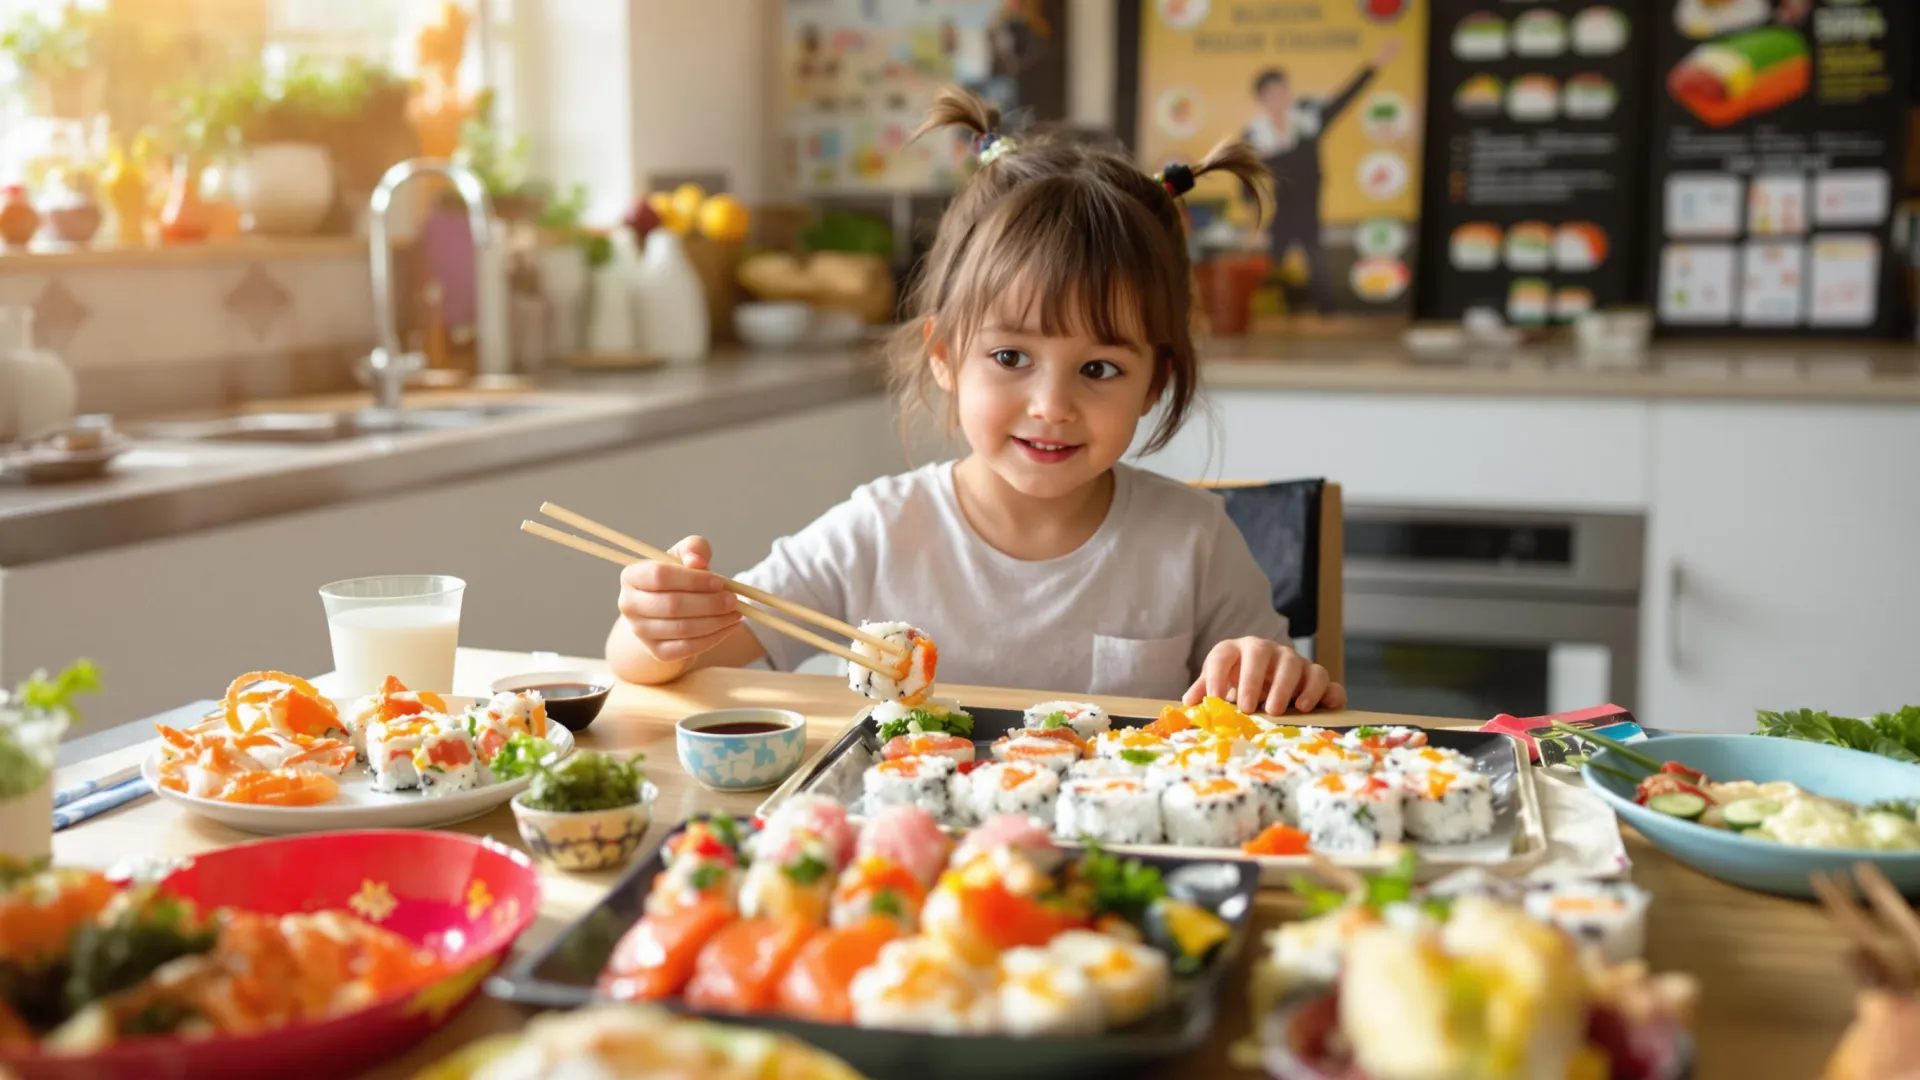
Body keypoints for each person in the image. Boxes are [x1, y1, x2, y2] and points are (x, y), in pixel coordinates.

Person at [606, 87, 1347, 715]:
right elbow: (666, 666)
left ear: (1155, 379)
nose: (1051, 405)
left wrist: (1276, 674)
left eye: (1098, 368)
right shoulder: (875, 533)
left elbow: (1287, 706)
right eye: (1010, 357)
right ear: (943, 355)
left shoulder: (1194, 541)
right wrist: (655, 626)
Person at [1245, 39, 1400, 315]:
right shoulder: (1256, 136)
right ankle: (1258, 316)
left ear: (1288, 92)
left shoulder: (1308, 122)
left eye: (1282, 90)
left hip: (1309, 211)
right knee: (1269, 272)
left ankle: (1328, 318)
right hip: (1282, 214)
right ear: (1262, 99)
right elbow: (1245, 180)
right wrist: (1253, 223)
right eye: (1270, 93)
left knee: (1317, 267)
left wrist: (1375, 65)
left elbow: (1344, 99)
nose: (1278, 98)